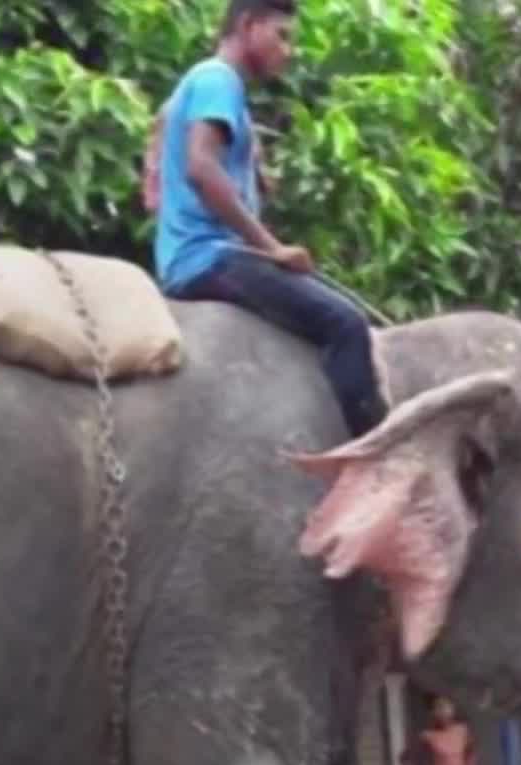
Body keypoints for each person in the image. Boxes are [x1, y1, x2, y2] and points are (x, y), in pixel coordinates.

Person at [141, 0, 385, 438]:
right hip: (211, 258)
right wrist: (271, 247)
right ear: (248, 26)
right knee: (345, 323)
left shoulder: (199, 80)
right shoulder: (220, 80)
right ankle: (381, 458)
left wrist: (157, 180)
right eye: (282, 35)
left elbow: (162, 123)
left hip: (188, 256)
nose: (288, 51)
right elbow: (200, 166)